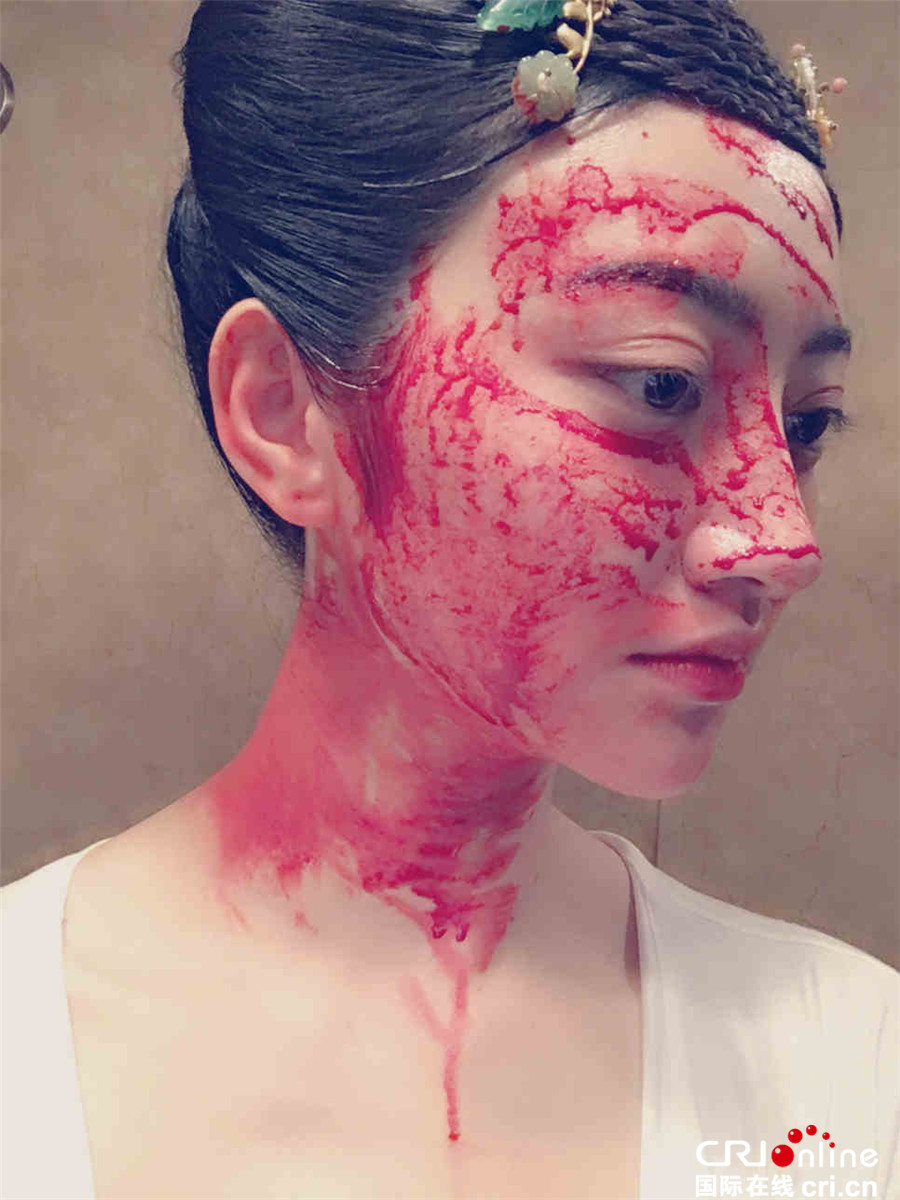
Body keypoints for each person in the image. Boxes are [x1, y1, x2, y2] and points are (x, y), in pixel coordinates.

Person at [2, 1, 897, 1198]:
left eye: (808, 423)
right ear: (284, 413)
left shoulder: (845, 1076)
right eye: (659, 382)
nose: (783, 538)